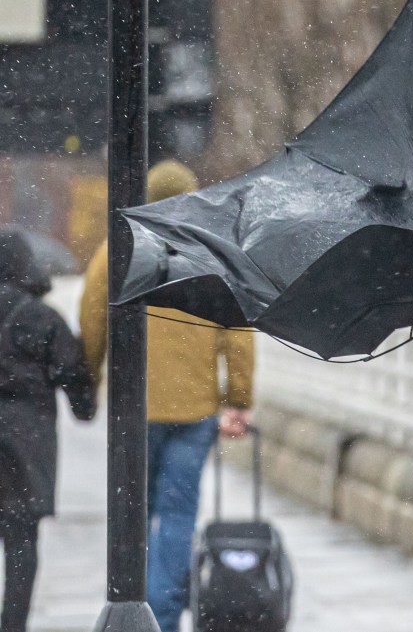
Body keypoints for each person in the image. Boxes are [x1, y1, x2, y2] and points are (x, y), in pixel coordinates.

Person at [78, 159, 255, 632]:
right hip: (195, 409)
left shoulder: (117, 248)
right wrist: (237, 397)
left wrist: (89, 382)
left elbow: (93, 319)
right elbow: (238, 329)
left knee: (133, 512)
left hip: (133, 411)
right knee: (178, 515)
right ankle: (163, 614)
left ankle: (131, 602)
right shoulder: (210, 253)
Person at [0, 230, 96, 632]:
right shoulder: (42, 318)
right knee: (22, 541)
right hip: (26, 444)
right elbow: (77, 382)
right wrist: (82, 404)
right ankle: (13, 624)